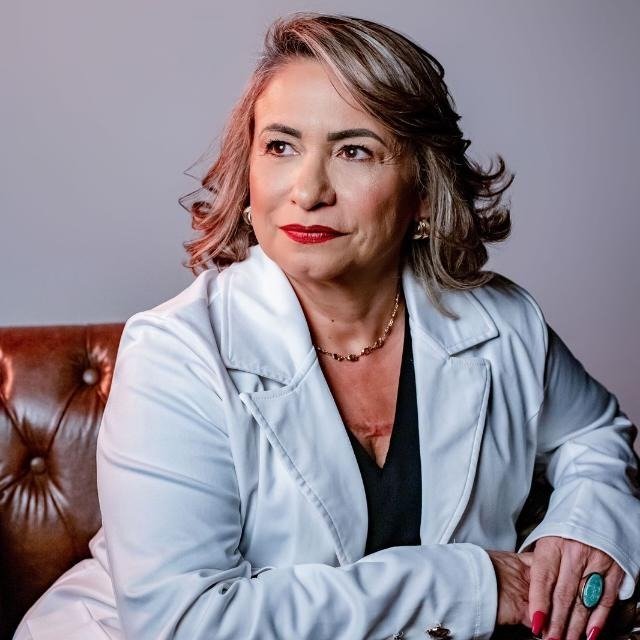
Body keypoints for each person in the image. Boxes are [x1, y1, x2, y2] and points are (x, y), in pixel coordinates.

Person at [14, 11, 639, 640]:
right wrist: (471, 584)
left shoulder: (501, 320)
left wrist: (586, 527)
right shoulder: (173, 351)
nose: (308, 190)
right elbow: (187, 623)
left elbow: (594, 436)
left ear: (423, 192)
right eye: (281, 146)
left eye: (354, 151)